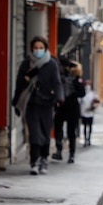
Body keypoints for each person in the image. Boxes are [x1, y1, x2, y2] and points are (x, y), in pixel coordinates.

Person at [12, 36, 65, 175]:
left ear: (45, 48)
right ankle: (34, 161)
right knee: (34, 134)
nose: (38, 51)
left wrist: (60, 98)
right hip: (32, 103)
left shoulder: (51, 63)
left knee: (45, 133)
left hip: (47, 103)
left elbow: (57, 82)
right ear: (31, 49)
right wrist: (16, 101)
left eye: (41, 48)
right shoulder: (26, 64)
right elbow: (19, 84)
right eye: (35, 48)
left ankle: (43, 159)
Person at [53, 59, 85, 163]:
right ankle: (59, 150)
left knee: (71, 132)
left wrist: (72, 93)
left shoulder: (77, 79)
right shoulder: (59, 78)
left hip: (72, 107)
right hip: (61, 107)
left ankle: (71, 154)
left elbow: (82, 92)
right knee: (58, 130)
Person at [79, 79, 98, 147]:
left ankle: (89, 139)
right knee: (84, 126)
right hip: (84, 111)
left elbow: (96, 101)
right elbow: (80, 101)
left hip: (90, 112)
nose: (88, 85)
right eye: (86, 84)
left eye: (89, 84)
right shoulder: (83, 93)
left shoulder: (93, 93)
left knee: (89, 126)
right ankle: (84, 140)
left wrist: (93, 105)